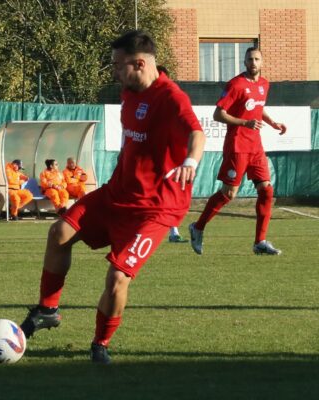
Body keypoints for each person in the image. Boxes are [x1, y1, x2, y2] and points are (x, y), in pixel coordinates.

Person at [20, 30, 205, 364]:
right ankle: (48, 309)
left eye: (118, 66)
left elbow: (196, 132)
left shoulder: (172, 97)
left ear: (139, 63)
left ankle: (100, 344)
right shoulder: (128, 91)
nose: (114, 72)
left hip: (155, 209)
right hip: (116, 194)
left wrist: (190, 162)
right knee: (58, 233)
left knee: (118, 277)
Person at [189, 47, 287, 256]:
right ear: (244, 62)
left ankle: (260, 241)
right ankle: (197, 227)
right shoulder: (236, 84)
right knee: (229, 193)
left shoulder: (264, 84)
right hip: (237, 146)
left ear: (262, 62)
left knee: (266, 190)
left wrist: (272, 123)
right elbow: (218, 114)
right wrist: (245, 122)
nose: (253, 62)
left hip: (256, 147)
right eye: (250, 59)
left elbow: (259, 110)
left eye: (257, 59)